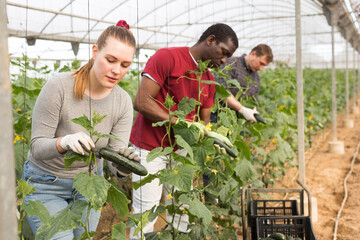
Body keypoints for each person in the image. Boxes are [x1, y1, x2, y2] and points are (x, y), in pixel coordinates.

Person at [22, 20, 139, 239]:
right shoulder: (58, 87)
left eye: (125, 65)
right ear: (95, 52)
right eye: (111, 60)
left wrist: (125, 164)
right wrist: (63, 142)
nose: (116, 71)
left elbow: (115, 159)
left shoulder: (122, 101)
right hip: (47, 183)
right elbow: (37, 146)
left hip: (88, 187)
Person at [129, 23, 238, 239]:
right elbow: (141, 101)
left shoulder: (209, 79)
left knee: (181, 210)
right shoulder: (167, 57)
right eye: (223, 53)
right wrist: (180, 121)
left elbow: (204, 122)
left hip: (180, 152)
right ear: (210, 40)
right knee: (146, 212)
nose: (224, 60)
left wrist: (212, 138)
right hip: (149, 148)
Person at [214, 44, 273, 122]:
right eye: (261, 63)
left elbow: (253, 99)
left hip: (238, 121)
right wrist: (242, 109)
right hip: (218, 116)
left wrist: (253, 111)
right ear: (253, 54)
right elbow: (221, 91)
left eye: (264, 66)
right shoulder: (231, 63)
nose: (261, 68)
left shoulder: (256, 77)